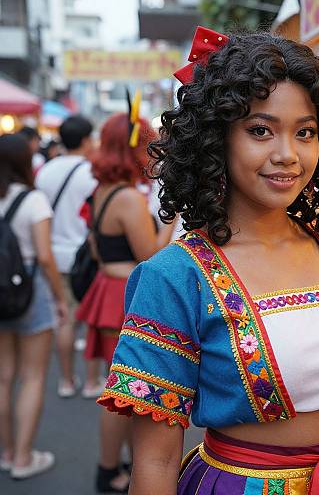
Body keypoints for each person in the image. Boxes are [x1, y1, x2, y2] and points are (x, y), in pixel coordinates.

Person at [98, 28, 319, 494]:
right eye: (260, 130)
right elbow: (157, 461)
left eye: (305, 132)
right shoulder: (176, 277)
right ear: (216, 139)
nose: (287, 155)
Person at [76, 112, 174, 493]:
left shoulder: (103, 190)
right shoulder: (129, 198)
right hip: (122, 296)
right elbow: (150, 253)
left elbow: (99, 248)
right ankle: (110, 470)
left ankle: (115, 466)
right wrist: (173, 217)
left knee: (115, 387)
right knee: (121, 392)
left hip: (107, 288)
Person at [0, 134, 68, 479]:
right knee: (32, 376)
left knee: (3, 377)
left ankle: (7, 451)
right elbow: (44, 256)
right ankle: (24, 458)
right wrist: (59, 298)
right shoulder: (33, 201)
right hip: (29, 291)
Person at [36, 115, 101, 398]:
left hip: (53, 253)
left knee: (65, 318)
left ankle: (65, 379)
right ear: (86, 140)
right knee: (92, 320)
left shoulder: (45, 171)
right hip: (85, 256)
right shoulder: (91, 172)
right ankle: (91, 381)